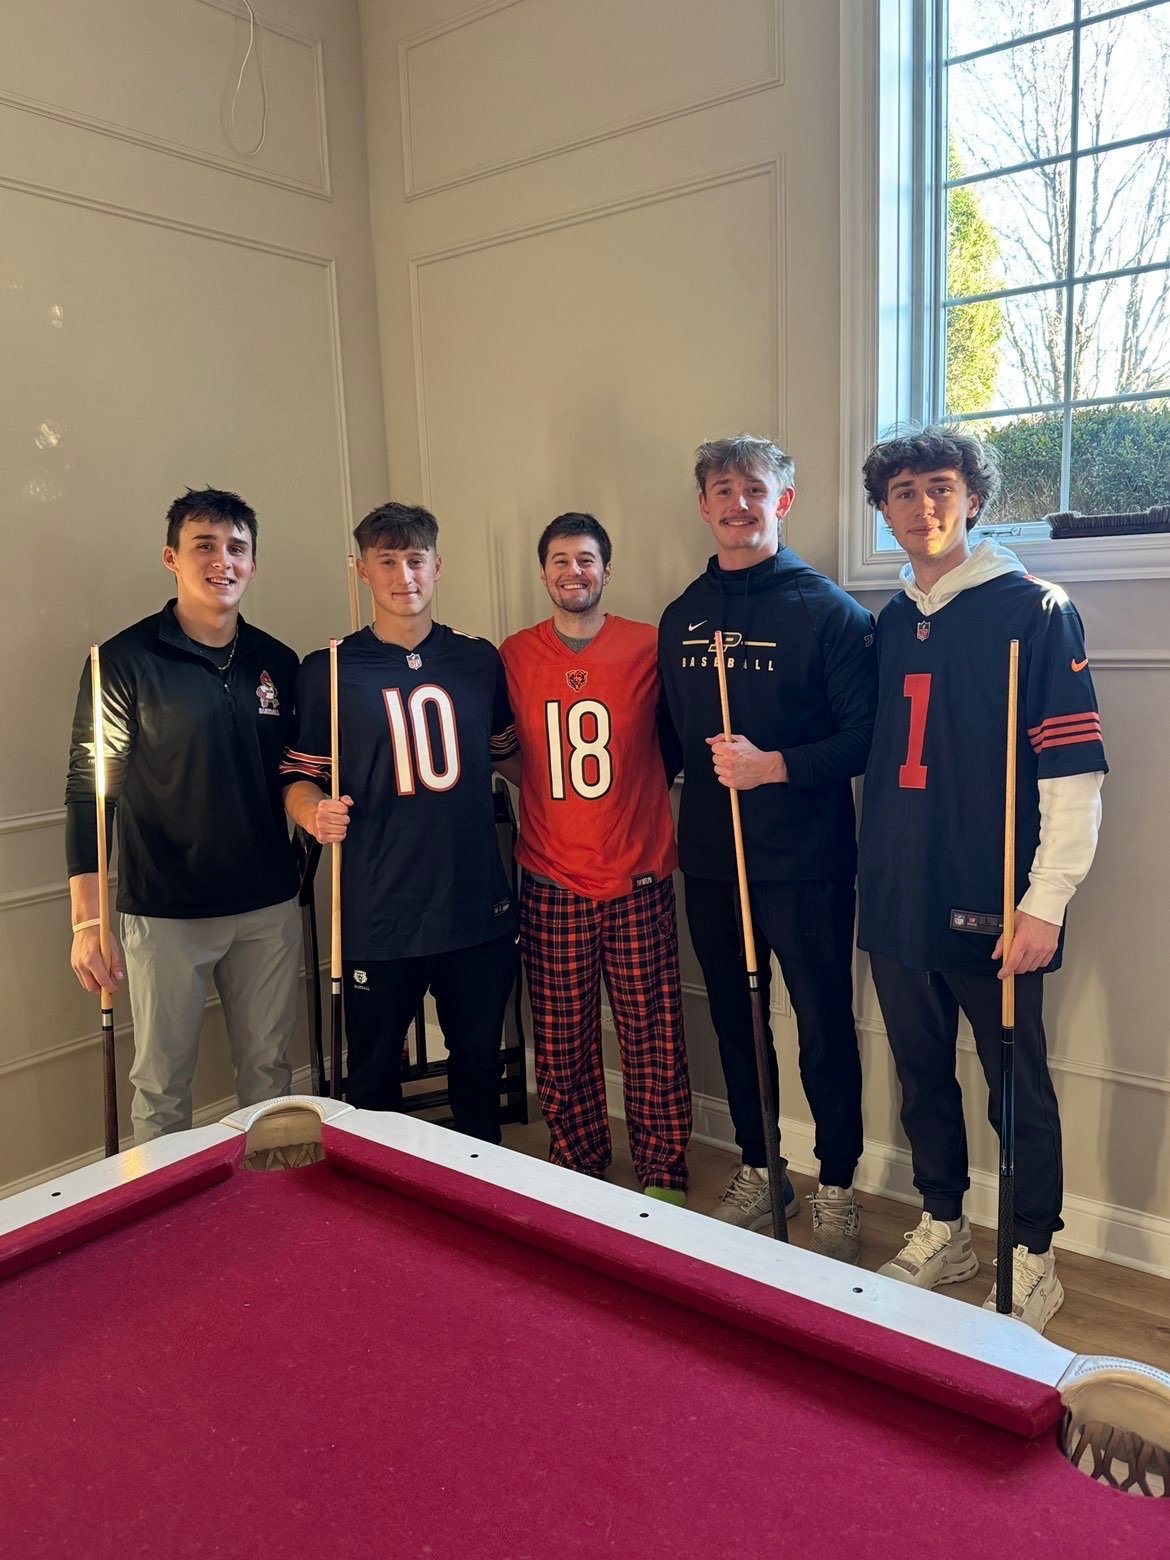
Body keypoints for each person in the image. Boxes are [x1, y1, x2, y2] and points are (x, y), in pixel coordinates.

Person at [857, 426, 1107, 1332]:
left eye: (940, 488)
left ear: (973, 498)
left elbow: (1075, 774)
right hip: (896, 887)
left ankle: (1033, 1251)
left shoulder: (1034, 610)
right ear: (882, 511)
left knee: (1015, 1084)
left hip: (992, 892)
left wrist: (1047, 902)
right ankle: (944, 1222)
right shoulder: (886, 623)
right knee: (921, 1072)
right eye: (904, 493)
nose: (923, 508)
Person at [658, 436, 875, 1259]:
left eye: (754, 489)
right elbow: (670, 745)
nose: (737, 503)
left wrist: (775, 765)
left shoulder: (830, 613)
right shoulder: (684, 616)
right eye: (721, 489)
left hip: (809, 864)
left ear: (783, 501)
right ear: (704, 505)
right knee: (740, 1023)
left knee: (822, 1025)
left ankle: (839, 1182)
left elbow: (865, 741)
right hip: (712, 864)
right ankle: (761, 1164)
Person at [65, 487, 301, 1141]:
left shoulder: (278, 663)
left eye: (236, 548)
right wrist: (88, 920)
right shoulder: (122, 661)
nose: (221, 561)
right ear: (172, 557)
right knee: (163, 1088)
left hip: (268, 906)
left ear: (252, 563)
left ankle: (273, 1222)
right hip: (164, 910)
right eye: (204, 545)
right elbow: (90, 793)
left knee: (269, 1078)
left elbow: (296, 779)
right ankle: (161, 1237)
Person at [281, 502, 520, 1142]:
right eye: (386, 561)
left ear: (437, 567)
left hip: (474, 904)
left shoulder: (478, 660)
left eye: (415, 560)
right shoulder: (327, 668)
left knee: (476, 1067)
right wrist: (312, 812)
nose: (403, 575)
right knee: (374, 1079)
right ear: (362, 570)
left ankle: (478, 1194)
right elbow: (299, 777)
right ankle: (381, 1212)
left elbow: (510, 759)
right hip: (379, 909)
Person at [500, 513, 690, 1201]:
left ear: (607, 572)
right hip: (551, 875)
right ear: (542, 572)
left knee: (654, 1038)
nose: (572, 572)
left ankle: (663, 1172)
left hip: (638, 875)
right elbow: (504, 753)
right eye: (559, 560)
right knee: (560, 1041)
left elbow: (682, 737)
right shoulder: (514, 654)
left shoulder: (648, 646)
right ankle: (578, 1162)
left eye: (586, 560)